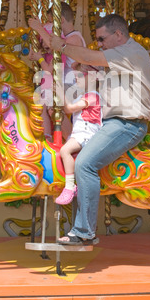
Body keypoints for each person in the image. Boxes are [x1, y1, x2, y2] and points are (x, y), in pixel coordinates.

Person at [49, 13, 150, 244]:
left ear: (118, 35)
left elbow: (91, 56)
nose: (99, 44)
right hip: (107, 124)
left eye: (101, 39)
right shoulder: (117, 58)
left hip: (126, 124)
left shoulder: (132, 52)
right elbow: (89, 65)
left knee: (85, 164)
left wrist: (64, 47)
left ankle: (84, 232)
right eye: (97, 40)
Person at [29, 2, 86, 140]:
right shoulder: (66, 37)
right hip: (63, 83)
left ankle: (73, 140)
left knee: (53, 103)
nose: (49, 26)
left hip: (74, 84)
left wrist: (39, 28)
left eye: (50, 21)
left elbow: (56, 47)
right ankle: (47, 137)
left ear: (60, 20)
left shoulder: (74, 38)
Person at [55, 65, 102, 205]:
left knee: (64, 150)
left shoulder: (94, 96)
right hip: (79, 134)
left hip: (87, 135)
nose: (76, 77)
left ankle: (70, 187)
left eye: (81, 75)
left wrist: (60, 93)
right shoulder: (83, 97)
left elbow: (69, 107)